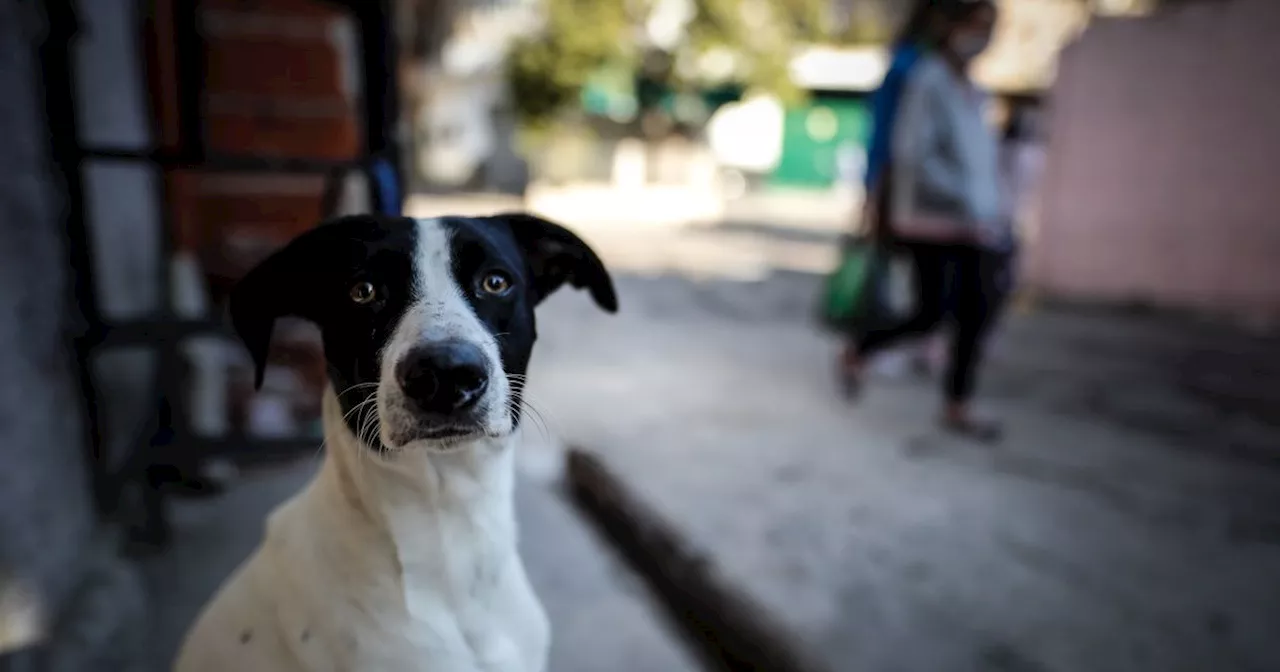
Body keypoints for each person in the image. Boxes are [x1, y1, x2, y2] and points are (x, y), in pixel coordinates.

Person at [842, 0, 1013, 442]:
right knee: (931, 312)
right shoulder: (926, 79)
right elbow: (912, 154)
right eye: (978, 25)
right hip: (931, 219)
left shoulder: (974, 90)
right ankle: (861, 348)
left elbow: (981, 160)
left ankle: (958, 405)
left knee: (976, 313)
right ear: (952, 25)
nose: (985, 36)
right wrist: (965, 197)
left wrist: (993, 204)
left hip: (978, 222)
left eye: (991, 27)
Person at [839, 0, 943, 389]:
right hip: (900, 193)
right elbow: (884, 137)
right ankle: (867, 345)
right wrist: (873, 190)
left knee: (926, 291)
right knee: (889, 277)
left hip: (938, 202)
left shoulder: (941, 71)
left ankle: (886, 345)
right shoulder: (908, 69)